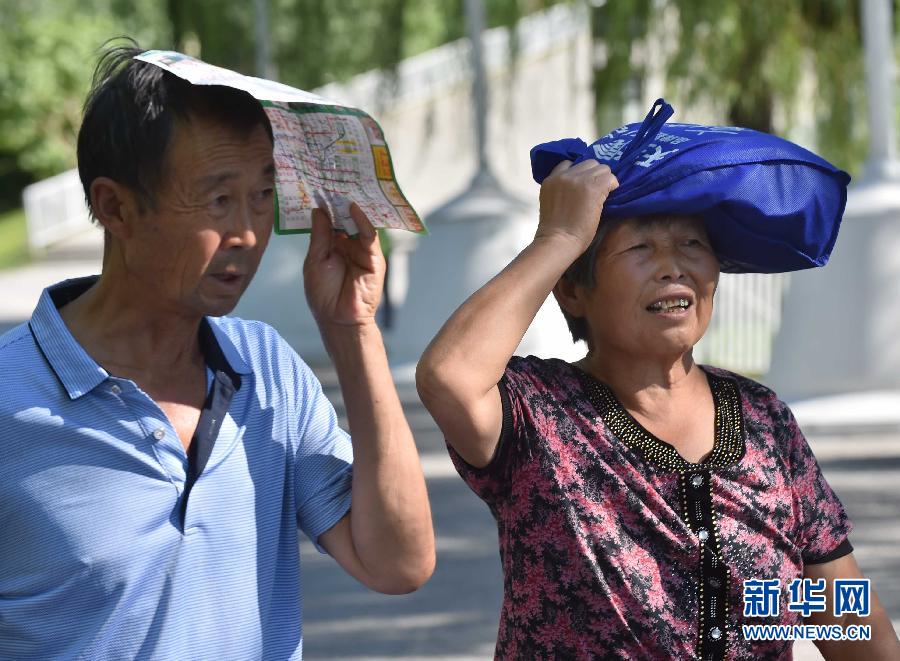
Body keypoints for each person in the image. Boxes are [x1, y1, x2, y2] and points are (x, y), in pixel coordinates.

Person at [0, 44, 434, 659]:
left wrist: (352, 329)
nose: (250, 233)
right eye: (218, 200)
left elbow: (398, 563)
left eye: (262, 195)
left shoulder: (269, 371)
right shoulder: (9, 401)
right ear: (115, 207)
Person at [416, 156, 900, 659]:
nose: (674, 267)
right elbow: (449, 377)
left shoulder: (763, 418)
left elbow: (839, 612)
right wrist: (557, 239)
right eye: (640, 247)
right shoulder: (537, 412)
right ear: (574, 290)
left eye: (692, 244)